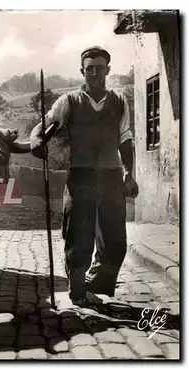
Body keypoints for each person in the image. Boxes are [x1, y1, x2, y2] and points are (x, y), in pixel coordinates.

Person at [30, 46, 139, 307]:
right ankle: (78, 293)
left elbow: (125, 138)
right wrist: (36, 140)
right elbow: (43, 125)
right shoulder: (67, 101)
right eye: (88, 68)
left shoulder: (119, 101)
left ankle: (95, 283)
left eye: (98, 68)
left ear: (107, 70)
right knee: (78, 236)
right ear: (82, 71)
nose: (93, 73)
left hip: (111, 176)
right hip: (80, 177)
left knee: (115, 240)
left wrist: (129, 174)